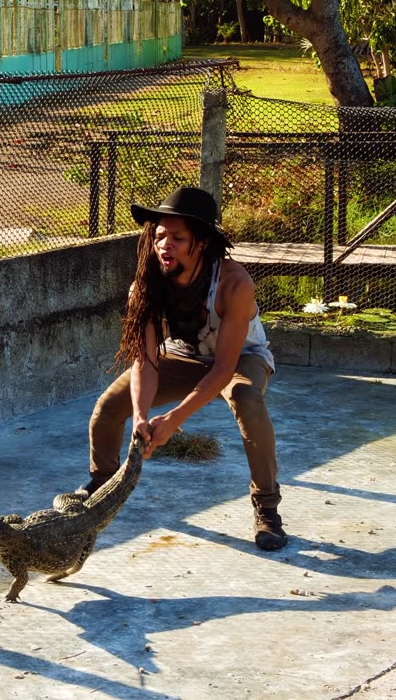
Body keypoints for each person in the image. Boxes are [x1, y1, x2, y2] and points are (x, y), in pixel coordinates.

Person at [78, 186, 287, 551]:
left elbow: (223, 369)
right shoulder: (145, 285)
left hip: (239, 357)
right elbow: (146, 359)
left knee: (246, 398)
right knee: (109, 407)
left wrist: (173, 419)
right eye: (159, 235)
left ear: (202, 242)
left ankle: (267, 509)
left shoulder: (234, 284)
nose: (164, 245)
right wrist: (142, 416)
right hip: (184, 353)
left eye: (177, 237)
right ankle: (102, 487)